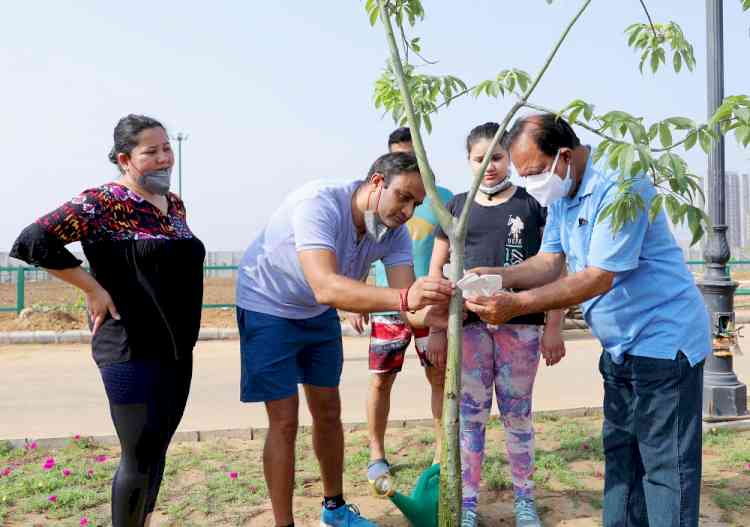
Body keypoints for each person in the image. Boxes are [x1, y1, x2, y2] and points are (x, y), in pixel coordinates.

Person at [464, 113, 710, 527]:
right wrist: (497, 275)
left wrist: (517, 305)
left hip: (664, 344)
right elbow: (548, 261)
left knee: (666, 468)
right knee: (621, 460)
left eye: (537, 172)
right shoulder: (563, 194)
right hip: (620, 347)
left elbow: (598, 276)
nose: (533, 184)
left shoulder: (621, 185)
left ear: (563, 156)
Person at [235, 151, 453, 527]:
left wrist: (441, 312)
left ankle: (333, 510)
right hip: (268, 305)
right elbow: (326, 286)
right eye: (403, 196)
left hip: (315, 313)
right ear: (377, 182)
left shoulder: (394, 233)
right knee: (285, 421)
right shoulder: (319, 203)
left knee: (329, 412)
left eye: (416, 203)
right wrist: (407, 299)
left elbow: (409, 306)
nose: (407, 211)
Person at [10, 114, 205, 527]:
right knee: (137, 454)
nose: (164, 158)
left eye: (166, 148)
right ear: (124, 159)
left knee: (157, 450)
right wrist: (91, 288)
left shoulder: (174, 206)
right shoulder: (103, 202)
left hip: (176, 350)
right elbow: (33, 240)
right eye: (150, 152)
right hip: (129, 348)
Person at [428, 122, 565, 527]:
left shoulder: (531, 205)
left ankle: (524, 499)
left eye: (497, 157)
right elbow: (437, 270)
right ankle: (468, 503)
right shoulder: (455, 208)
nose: (488, 166)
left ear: (509, 158)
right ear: (468, 162)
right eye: (479, 159)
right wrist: (437, 328)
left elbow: (555, 269)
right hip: (467, 329)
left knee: (517, 415)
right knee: (470, 418)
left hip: (521, 326)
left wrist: (553, 326)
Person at [355, 127, 454, 487]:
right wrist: (357, 297)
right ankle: (376, 454)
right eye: (402, 156)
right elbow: (363, 246)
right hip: (386, 304)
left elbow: (455, 252)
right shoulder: (379, 203)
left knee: (440, 377)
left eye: (414, 156)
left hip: (431, 305)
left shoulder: (444, 199)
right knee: (381, 380)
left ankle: (442, 456)